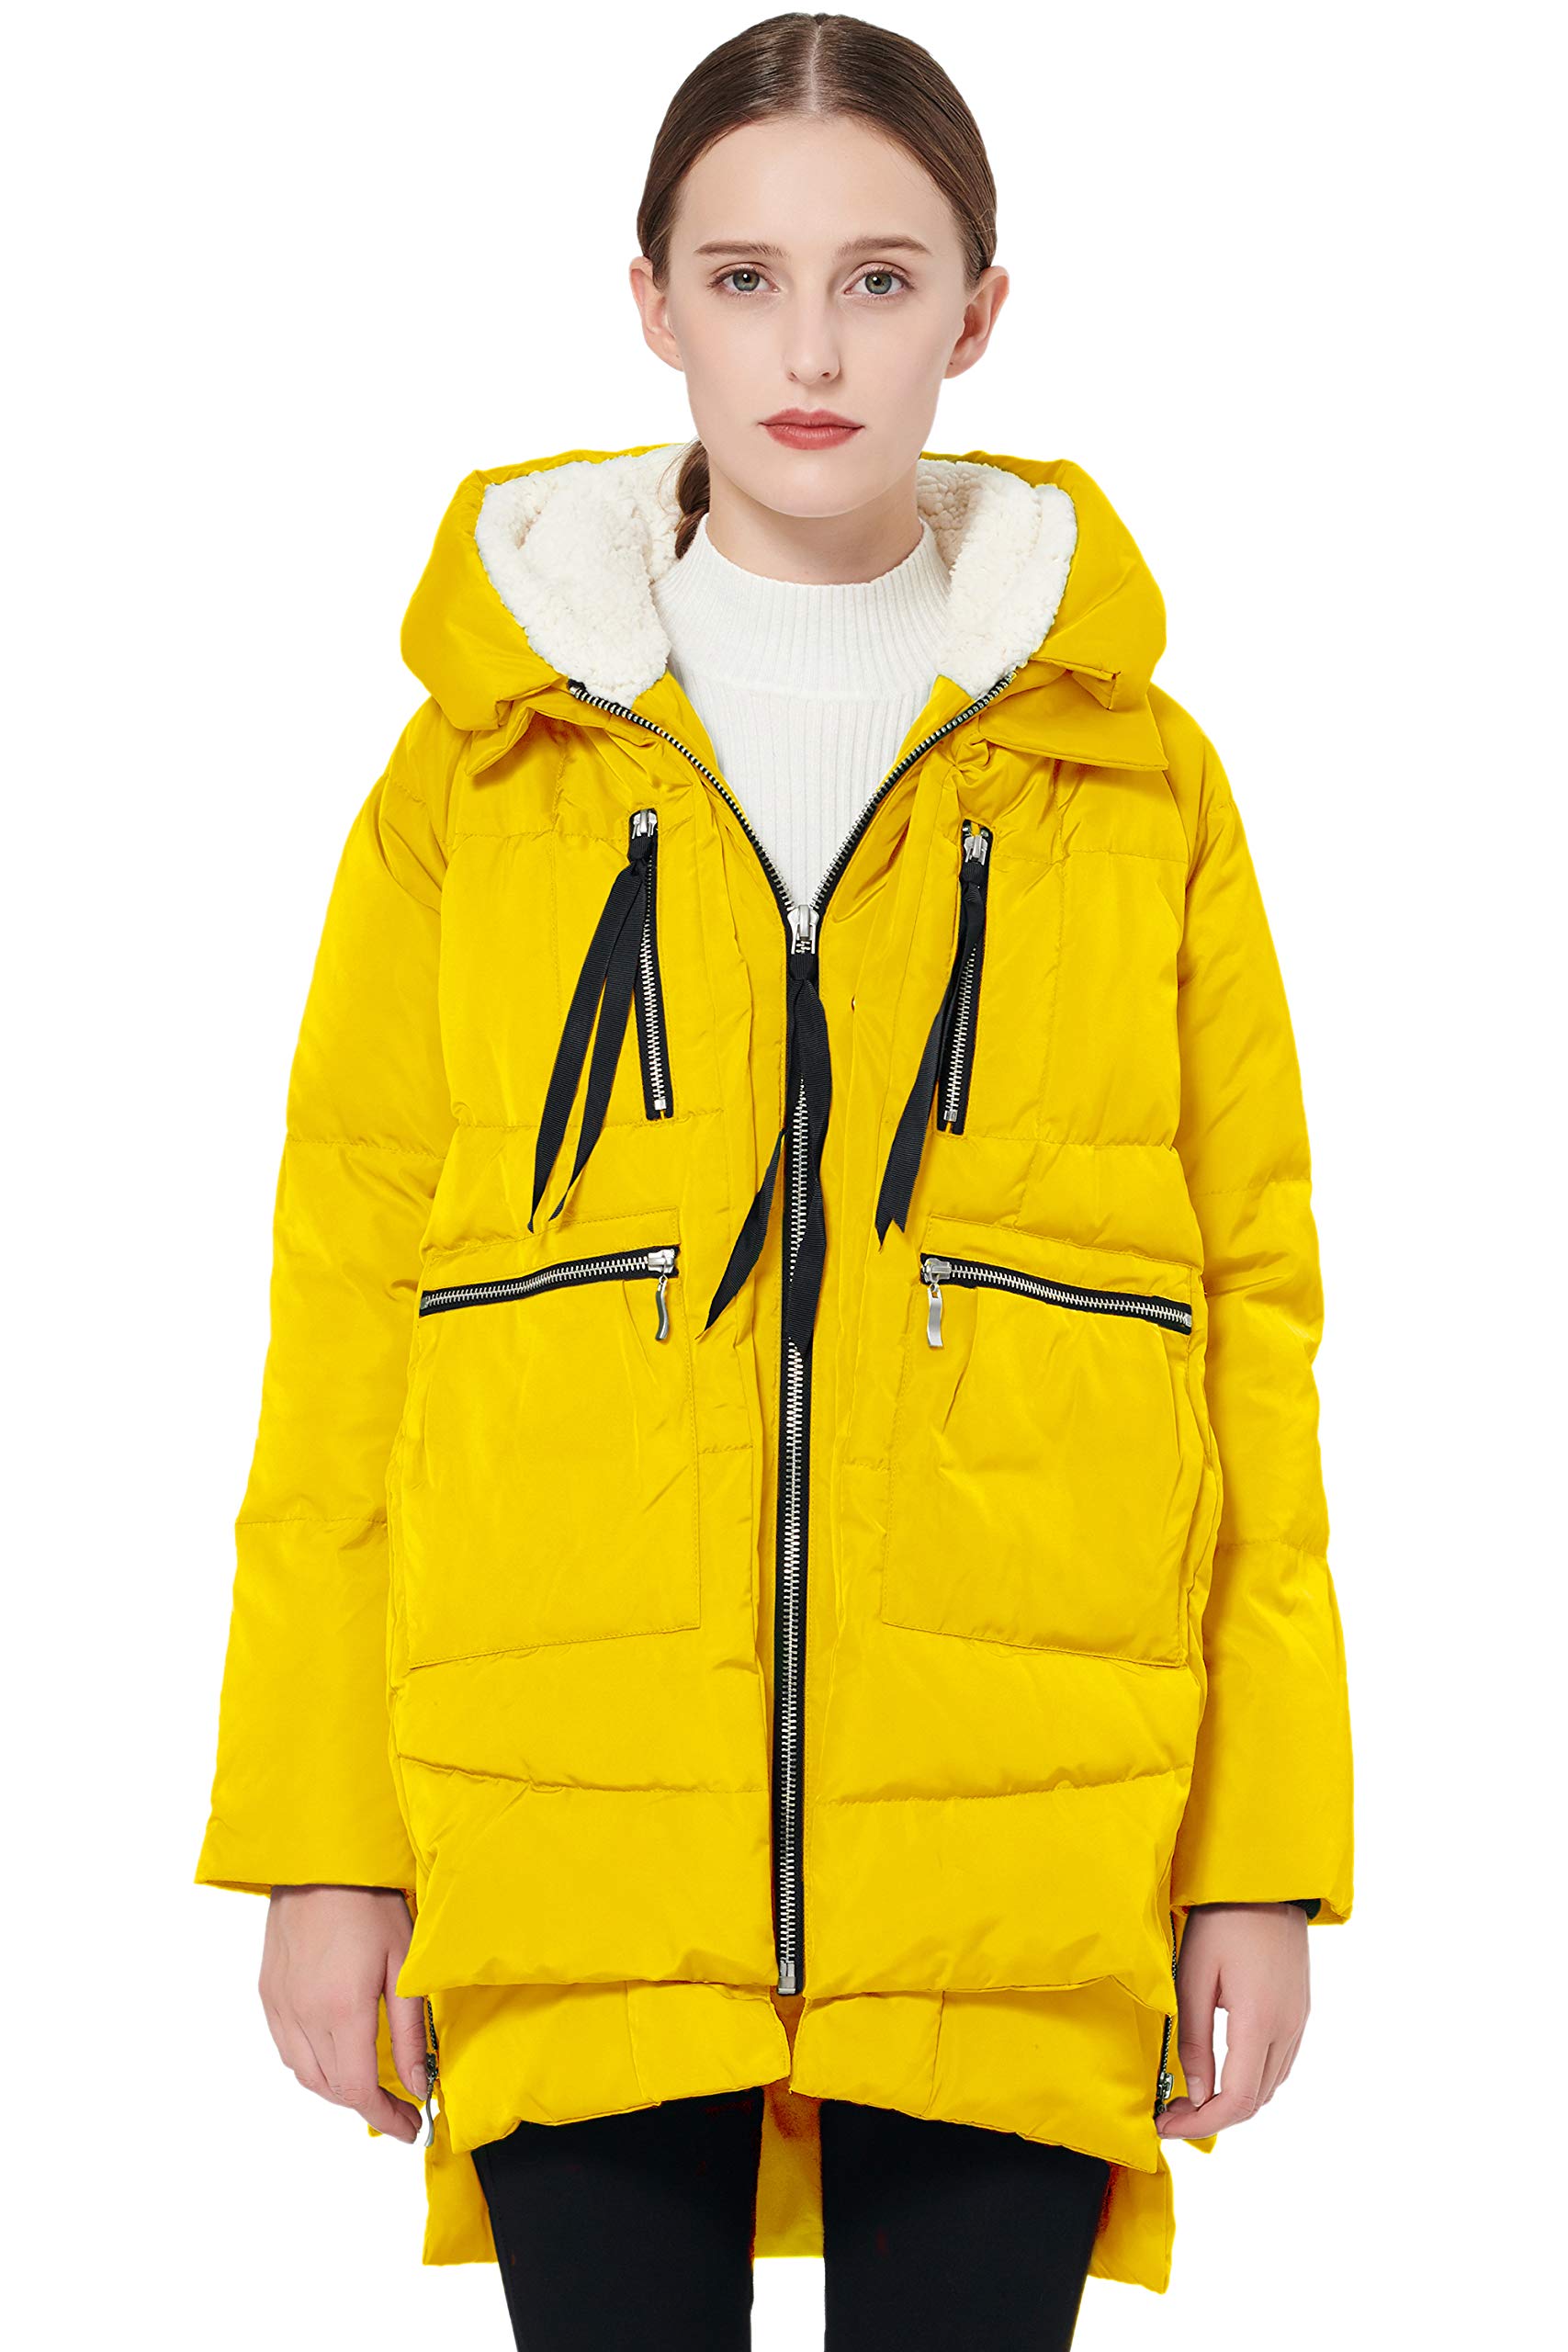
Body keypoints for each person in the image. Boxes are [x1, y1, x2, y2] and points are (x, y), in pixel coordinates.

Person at [194, 13, 1353, 2347]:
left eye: (876, 280)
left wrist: (1259, 1853)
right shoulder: (478, 776)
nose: (809, 352)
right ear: (650, 302)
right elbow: (346, 1322)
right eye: (743, 279)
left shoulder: (1136, 787)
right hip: (567, 1813)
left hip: (1027, 1831)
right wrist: (324, 1837)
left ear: (976, 314)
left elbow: (1248, 1325)